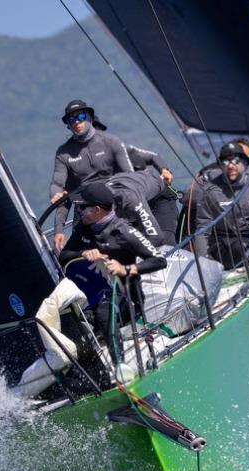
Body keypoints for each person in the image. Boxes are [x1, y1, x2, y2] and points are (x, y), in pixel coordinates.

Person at [58, 183, 167, 360]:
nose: (78, 211)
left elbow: (159, 260)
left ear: (97, 210)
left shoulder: (124, 231)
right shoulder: (83, 228)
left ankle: (119, 365)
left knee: (103, 309)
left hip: (126, 299)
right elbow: (63, 256)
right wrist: (83, 253)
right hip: (92, 295)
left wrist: (125, 269)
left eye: (82, 208)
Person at [50, 99, 133, 250]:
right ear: (68, 125)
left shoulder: (110, 141)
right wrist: (59, 229)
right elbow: (59, 189)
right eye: (71, 119)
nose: (76, 122)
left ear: (89, 117)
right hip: (85, 210)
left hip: (114, 204)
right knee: (76, 255)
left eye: (80, 117)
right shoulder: (64, 153)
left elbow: (131, 178)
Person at [194, 141, 249, 269]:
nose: (230, 166)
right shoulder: (209, 192)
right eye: (225, 162)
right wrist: (203, 263)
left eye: (236, 161)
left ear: (245, 163)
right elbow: (202, 231)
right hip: (223, 245)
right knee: (242, 247)